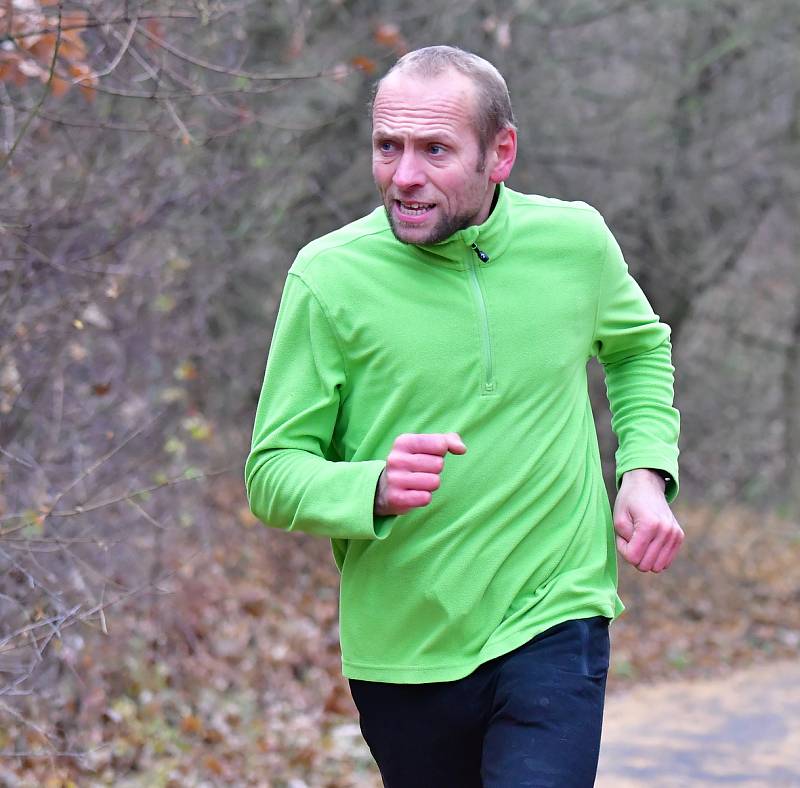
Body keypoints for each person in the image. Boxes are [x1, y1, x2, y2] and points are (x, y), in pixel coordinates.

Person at [245, 45, 683, 787]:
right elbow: (270, 473)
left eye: (434, 150)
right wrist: (370, 487)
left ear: (500, 152)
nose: (404, 176)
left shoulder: (574, 244)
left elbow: (639, 348)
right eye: (388, 147)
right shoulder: (328, 278)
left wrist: (643, 470)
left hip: (556, 614)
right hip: (406, 644)